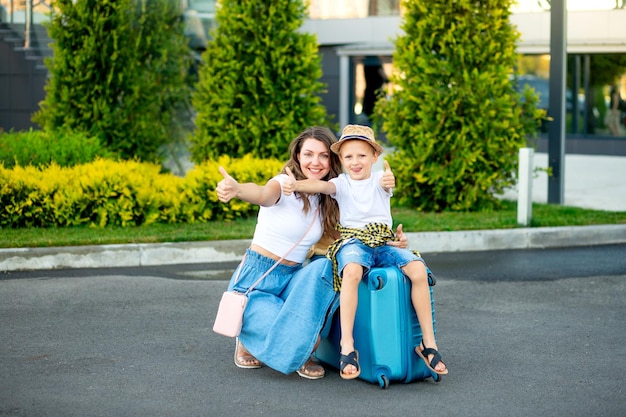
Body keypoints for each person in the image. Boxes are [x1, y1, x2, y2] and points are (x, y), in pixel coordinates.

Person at [215, 126, 409, 380]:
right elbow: (262, 194)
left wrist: (390, 242)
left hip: (293, 278)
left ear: (332, 160)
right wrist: (238, 189)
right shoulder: (285, 183)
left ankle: (293, 342)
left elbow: (353, 237)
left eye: (323, 156)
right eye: (308, 154)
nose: (315, 162)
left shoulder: (328, 193)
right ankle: (252, 337)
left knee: (325, 266)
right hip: (259, 279)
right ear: (297, 156)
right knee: (297, 333)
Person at [283, 124, 448, 380]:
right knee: (351, 271)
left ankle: (429, 343)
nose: (355, 162)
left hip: (383, 242)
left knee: (417, 269)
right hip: (353, 243)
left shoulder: (381, 180)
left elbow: (387, 183)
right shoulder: (341, 184)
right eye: (348, 157)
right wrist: (295, 185)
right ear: (341, 159)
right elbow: (321, 187)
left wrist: (388, 181)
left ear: (374, 156)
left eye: (361, 155)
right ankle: (347, 346)